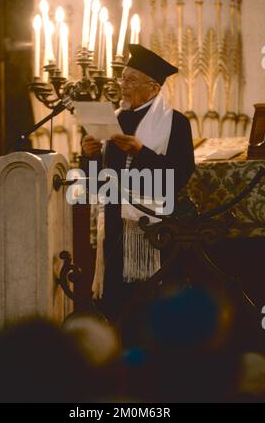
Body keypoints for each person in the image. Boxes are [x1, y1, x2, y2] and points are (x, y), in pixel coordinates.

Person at [81, 44, 195, 321]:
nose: (123, 85)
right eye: (122, 78)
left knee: (154, 305)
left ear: (153, 88)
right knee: (118, 305)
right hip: (114, 222)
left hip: (156, 228)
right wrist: (89, 157)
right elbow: (97, 184)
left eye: (131, 80)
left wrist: (140, 153)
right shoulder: (112, 120)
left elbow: (179, 176)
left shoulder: (175, 123)